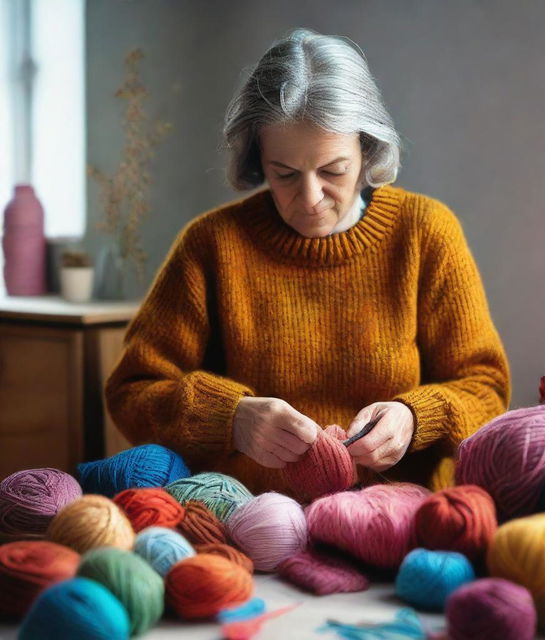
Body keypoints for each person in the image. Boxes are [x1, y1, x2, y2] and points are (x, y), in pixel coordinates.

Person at [104, 27, 511, 495]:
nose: (311, 197)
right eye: (285, 174)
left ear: (367, 149)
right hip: (252, 522)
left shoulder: (425, 234)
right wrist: (230, 419)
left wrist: (417, 417)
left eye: (333, 170)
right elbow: (132, 391)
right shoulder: (213, 245)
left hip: (399, 522)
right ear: (258, 158)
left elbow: (487, 390)